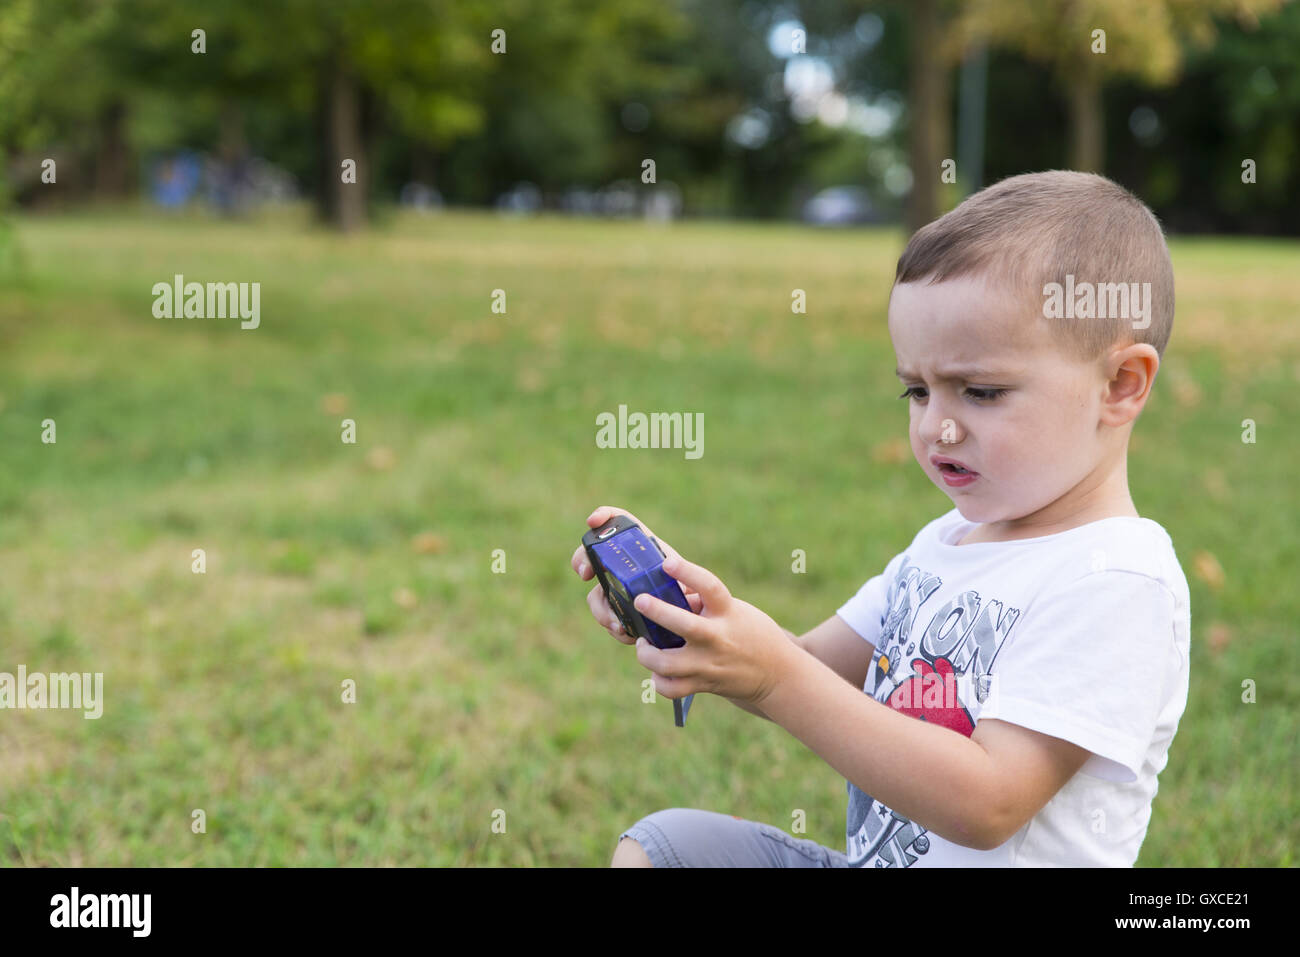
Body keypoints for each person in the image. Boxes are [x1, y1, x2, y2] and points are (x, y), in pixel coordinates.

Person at [570, 170, 1191, 868]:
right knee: (665, 848)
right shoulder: (943, 545)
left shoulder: (1116, 578)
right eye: (917, 389)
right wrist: (692, 612)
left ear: (1121, 385)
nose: (937, 426)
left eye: (980, 391)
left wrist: (776, 676)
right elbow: (805, 668)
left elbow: (988, 802)